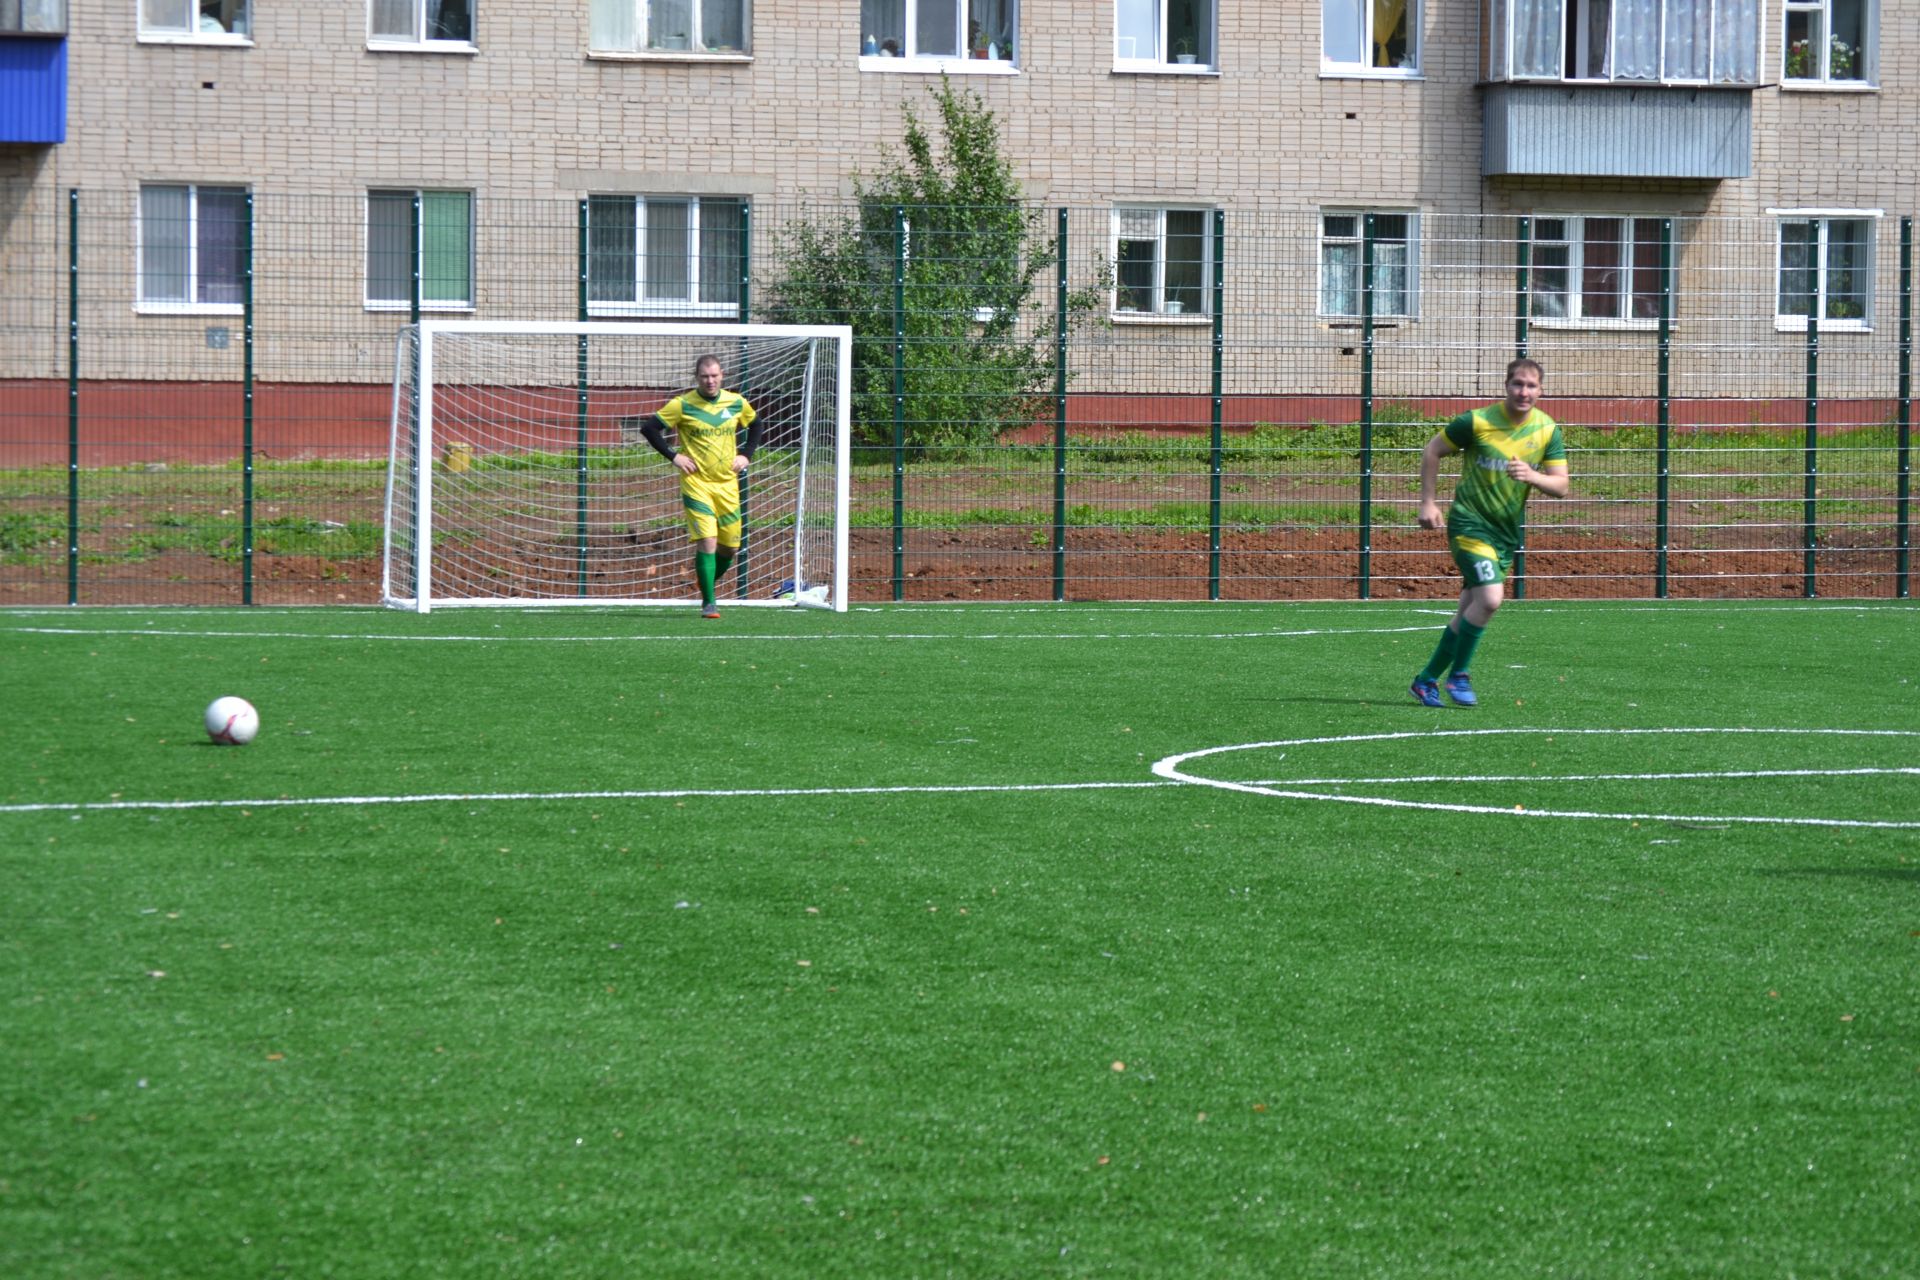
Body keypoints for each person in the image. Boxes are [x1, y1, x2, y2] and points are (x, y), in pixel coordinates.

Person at [1409, 357, 1568, 708]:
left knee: (1469, 609)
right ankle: (1460, 675)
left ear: (1541, 391)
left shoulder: (1546, 429)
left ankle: (1425, 680)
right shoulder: (1477, 422)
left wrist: (1533, 476)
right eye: (1517, 384)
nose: (1523, 391)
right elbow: (1433, 450)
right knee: (1491, 600)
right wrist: (1428, 502)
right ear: (1506, 386)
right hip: (1468, 524)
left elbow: (1560, 485)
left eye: (1531, 386)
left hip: (1504, 534)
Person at [634, 355, 759, 619]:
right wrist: (674, 456)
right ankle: (709, 603)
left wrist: (746, 454)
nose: (710, 380)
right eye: (704, 376)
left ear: (722, 375)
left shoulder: (736, 402)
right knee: (708, 541)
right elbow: (650, 428)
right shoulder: (683, 404)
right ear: (697, 377)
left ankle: (706, 581)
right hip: (697, 484)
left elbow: (756, 424)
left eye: (714, 375)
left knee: (730, 548)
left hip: (727, 485)